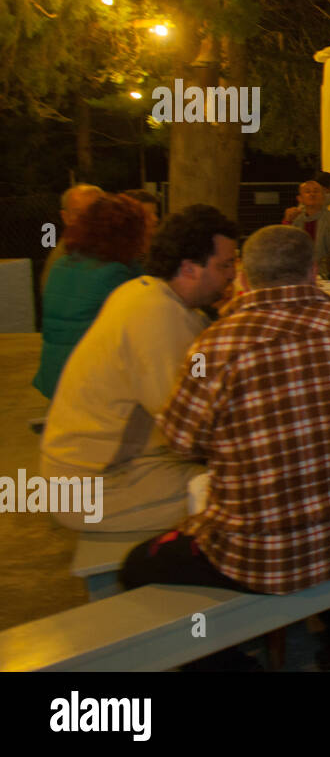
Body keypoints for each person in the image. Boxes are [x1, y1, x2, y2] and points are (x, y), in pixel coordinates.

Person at [120, 225, 330, 671]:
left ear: (245, 278)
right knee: (323, 491)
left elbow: (181, 439)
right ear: (311, 272)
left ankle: (227, 664)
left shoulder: (216, 342)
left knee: (137, 566)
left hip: (254, 555)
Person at [39, 205, 239, 531]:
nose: (233, 274)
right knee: (257, 489)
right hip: (98, 485)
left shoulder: (147, 293)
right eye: (226, 264)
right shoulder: (158, 315)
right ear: (189, 268)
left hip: (102, 469)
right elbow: (194, 431)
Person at [33, 194, 149, 398]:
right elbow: (143, 321)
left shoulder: (61, 262)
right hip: (83, 380)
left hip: (52, 374)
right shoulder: (115, 272)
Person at [40, 183, 103, 292]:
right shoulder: (61, 260)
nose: (88, 219)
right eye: (79, 213)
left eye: (94, 212)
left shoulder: (104, 246)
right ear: (65, 217)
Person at [281, 179, 330, 277]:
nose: (312, 194)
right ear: (300, 199)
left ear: (323, 197)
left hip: (326, 276)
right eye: (307, 192)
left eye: (316, 191)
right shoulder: (296, 221)